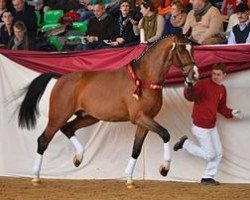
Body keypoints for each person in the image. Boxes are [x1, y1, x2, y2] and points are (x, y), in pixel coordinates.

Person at [174, 63, 243, 185]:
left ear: (224, 75)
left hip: (212, 126)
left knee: (219, 153)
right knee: (210, 155)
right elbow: (190, 96)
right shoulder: (203, 84)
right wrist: (188, 86)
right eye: (214, 74)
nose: (215, 76)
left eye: (218, 74)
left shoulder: (222, 89)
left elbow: (221, 108)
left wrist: (232, 112)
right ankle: (185, 144)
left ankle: (207, 177)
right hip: (200, 126)